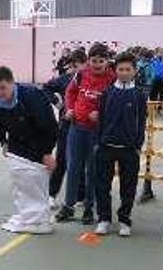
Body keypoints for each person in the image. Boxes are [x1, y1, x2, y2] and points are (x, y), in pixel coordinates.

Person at [0, 66, 58, 234]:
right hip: (16, 139)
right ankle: (26, 216)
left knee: (35, 179)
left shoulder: (32, 96)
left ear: (12, 83)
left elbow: (49, 126)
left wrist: (47, 152)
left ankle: (40, 221)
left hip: (38, 140)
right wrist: (3, 141)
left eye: (3, 87)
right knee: (20, 178)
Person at [56, 43, 116, 224]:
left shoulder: (112, 79)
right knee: (73, 167)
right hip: (77, 128)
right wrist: (70, 108)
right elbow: (70, 92)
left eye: (101, 61)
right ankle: (68, 206)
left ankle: (89, 208)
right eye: (94, 60)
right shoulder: (81, 75)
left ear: (107, 61)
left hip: (97, 132)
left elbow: (115, 105)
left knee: (93, 170)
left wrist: (102, 114)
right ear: (88, 60)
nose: (97, 64)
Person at [94, 52, 147, 237]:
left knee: (128, 187)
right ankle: (104, 219)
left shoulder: (139, 95)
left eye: (127, 69)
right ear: (115, 70)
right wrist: (99, 142)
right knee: (102, 186)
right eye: (120, 69)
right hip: (106, 147)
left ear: (134, 71)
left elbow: (141, 122)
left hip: (129, 149)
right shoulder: (108, 92)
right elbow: (101, 119)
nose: (124, 72)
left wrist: (138, 144)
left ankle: (125, 220)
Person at [43, 48, 87, 207]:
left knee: (81, 162)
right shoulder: (65, 79)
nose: (78, 69)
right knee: (61, 160)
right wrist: (56, 101)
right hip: (66, 126)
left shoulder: (90, 80)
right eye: (75, 66)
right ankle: (51, 194)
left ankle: (81, 196)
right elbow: (45, 87)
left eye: (81, 65)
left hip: (84, 127)